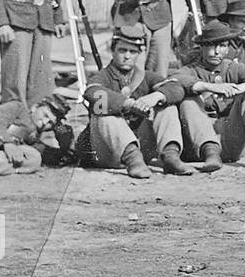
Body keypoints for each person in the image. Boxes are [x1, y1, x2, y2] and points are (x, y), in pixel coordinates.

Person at [77, 25, 188, 178]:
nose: (127, 56)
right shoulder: (101, 77)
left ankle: (171, 156)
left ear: (139, 54)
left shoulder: (146, 76)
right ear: (112, 51)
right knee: (102, 111)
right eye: (122, 50)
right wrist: (128, 104)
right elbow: (92, 93)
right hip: (108, 152)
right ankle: (133, 159)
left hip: (143, 148)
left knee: (167, 106)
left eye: (133, 52)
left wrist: (155, 97)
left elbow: (176, 88)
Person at [171, 20, 245, 171]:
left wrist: (241, 88)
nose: (217, 51)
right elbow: (177, 79)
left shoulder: (231, 68)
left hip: (230, 139)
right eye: (212, 46)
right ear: (202, 47)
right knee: (189, 101)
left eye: (222, 46)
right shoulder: (191, 69)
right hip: (199, 146)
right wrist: (211, 87)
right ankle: (210, 152)